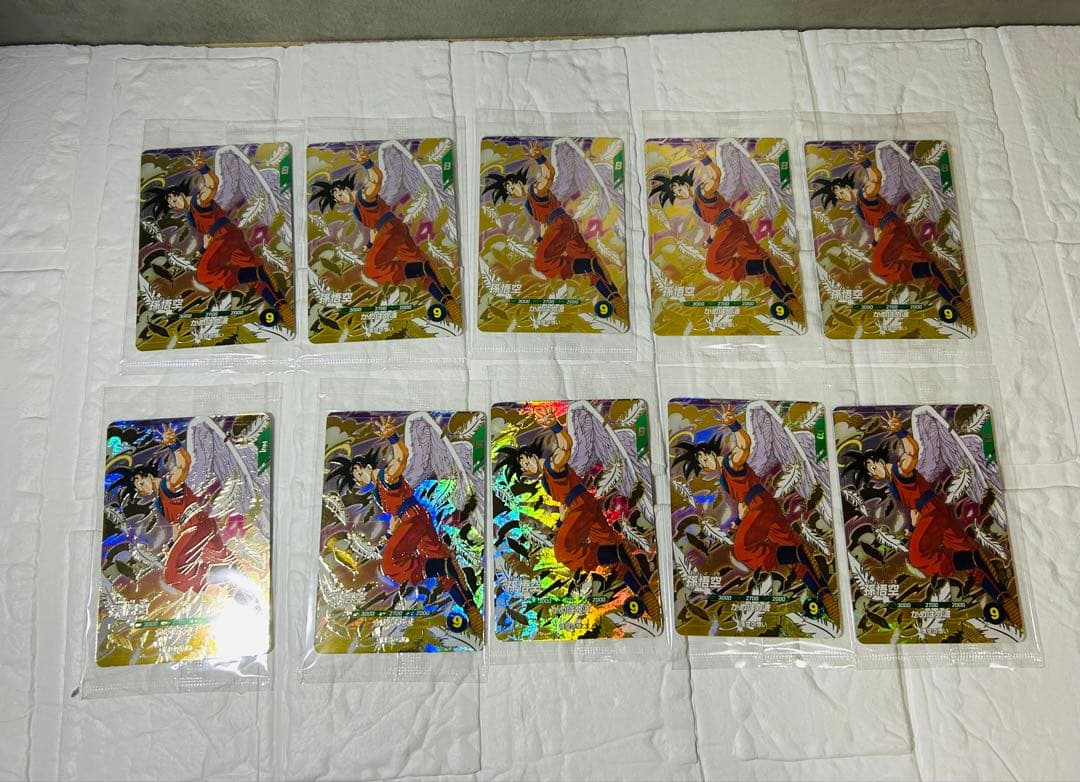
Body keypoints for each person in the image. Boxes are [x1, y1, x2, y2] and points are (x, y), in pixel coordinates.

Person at [671, 405, 840, 623]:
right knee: (794, 559)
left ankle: (797, 554)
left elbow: (745, 444)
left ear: (710, 452)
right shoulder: (724, 477)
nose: (704, 465)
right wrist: (738, 522)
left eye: (703, 459)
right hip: (761, 508)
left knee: (743, 550)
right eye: (701, 465)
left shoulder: (731, 461)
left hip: (760, 506)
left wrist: (733, 424)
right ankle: (823, 593)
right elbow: (742, 504)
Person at [850, 411, 1021, 627]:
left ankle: (972, 561)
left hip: (933, 514)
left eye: (873, 468)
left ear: (878, 461)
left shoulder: (901, 470)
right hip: (936, 513)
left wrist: (900, 431)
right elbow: (913, 511)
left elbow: (912, 451)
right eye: (871, 474)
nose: (874, 474)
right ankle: (1002, 596)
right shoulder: (893, 482)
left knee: (919, 557)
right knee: (969, 557)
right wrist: (912, 529)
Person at [495, 406, 660, 620]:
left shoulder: (552, 466)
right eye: (523, 468)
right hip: (584, 507)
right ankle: (644, 594)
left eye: (525, 461)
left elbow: (565, 446)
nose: (526, 467)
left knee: (564, 552)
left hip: (581, 506)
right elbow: (563, 505)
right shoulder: (546, 477)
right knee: (614, 551)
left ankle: (618, 554)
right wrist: (559, 523)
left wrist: (555, 425)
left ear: (532, 455)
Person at [327, 417, 481, 635]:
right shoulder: (378, 492)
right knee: (444, 574)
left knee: (391, 564)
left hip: (414, 520)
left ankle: (443, 566)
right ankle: (470, 607)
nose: (359, 480)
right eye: (356, 479)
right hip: (416, 522)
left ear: (368, 467)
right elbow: (394, 519)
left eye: (359, 473)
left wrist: (392, 437)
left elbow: (401, 457)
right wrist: (390, 534)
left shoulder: (386, 476)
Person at [310, 146, 461, 323]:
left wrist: (367, 163)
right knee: (421, 272)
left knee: (372, 269)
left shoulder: (364, 195)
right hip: (396, 231)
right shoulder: (357, 210)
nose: (338, 198)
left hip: (390, 231)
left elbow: (377, 179)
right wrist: (370, 245)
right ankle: (447, 300)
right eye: (335, 198)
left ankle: (425, 268)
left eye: (338, 193)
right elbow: (373, 229)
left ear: (344, 188)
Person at [143, 152, 293, 328]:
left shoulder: (199, 201)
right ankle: (282, 306)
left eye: (174, 200)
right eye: (171, 205)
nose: (174, 205)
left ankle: (258, 273)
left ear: (179, 194)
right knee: (254, 279)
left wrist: (203, 168)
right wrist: (202, 250)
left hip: (225, 236)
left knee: (205, 273)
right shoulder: (192, 212)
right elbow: (207, 237)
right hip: (230, 237)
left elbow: (212, 184)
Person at [811, 146, 963, 309]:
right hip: (896, 230)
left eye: (840, 193)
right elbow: (877, 228)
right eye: (838, 198)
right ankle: (955, 299)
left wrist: (865, 162)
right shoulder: (859, 206)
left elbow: (876, 179)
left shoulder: (865, 194)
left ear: (846, 187)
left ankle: (928, 269)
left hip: (894, 229)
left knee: (880, 266)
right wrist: (875, 243)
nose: (841, 198)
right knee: (924, 265)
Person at [483, 141, 623, 316]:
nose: (511, 192)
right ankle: (614, 297)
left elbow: (549, 175)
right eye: (509, 192)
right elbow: (543, 223)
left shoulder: (536, 190)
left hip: (560, 226)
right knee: (588, 265)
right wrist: (540, 239)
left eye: (511, 187)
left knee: (543, 262)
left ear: (517, 181)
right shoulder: (529, 204)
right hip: (564, 226)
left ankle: (589, 265)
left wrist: (539, 158)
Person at [650, 141, 796, 309]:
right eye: (675, 193)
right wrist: (710, 240)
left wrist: (705, 158)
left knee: (714, 264)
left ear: (685, 183)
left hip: (729, 226)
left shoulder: (702, 191)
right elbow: (714, 226)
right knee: (757, 258)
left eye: (678, 188)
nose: (679, 193)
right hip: (734, 226)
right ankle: (788, 298)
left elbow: (715, 176)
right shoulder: (697, 204)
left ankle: (763, 267)